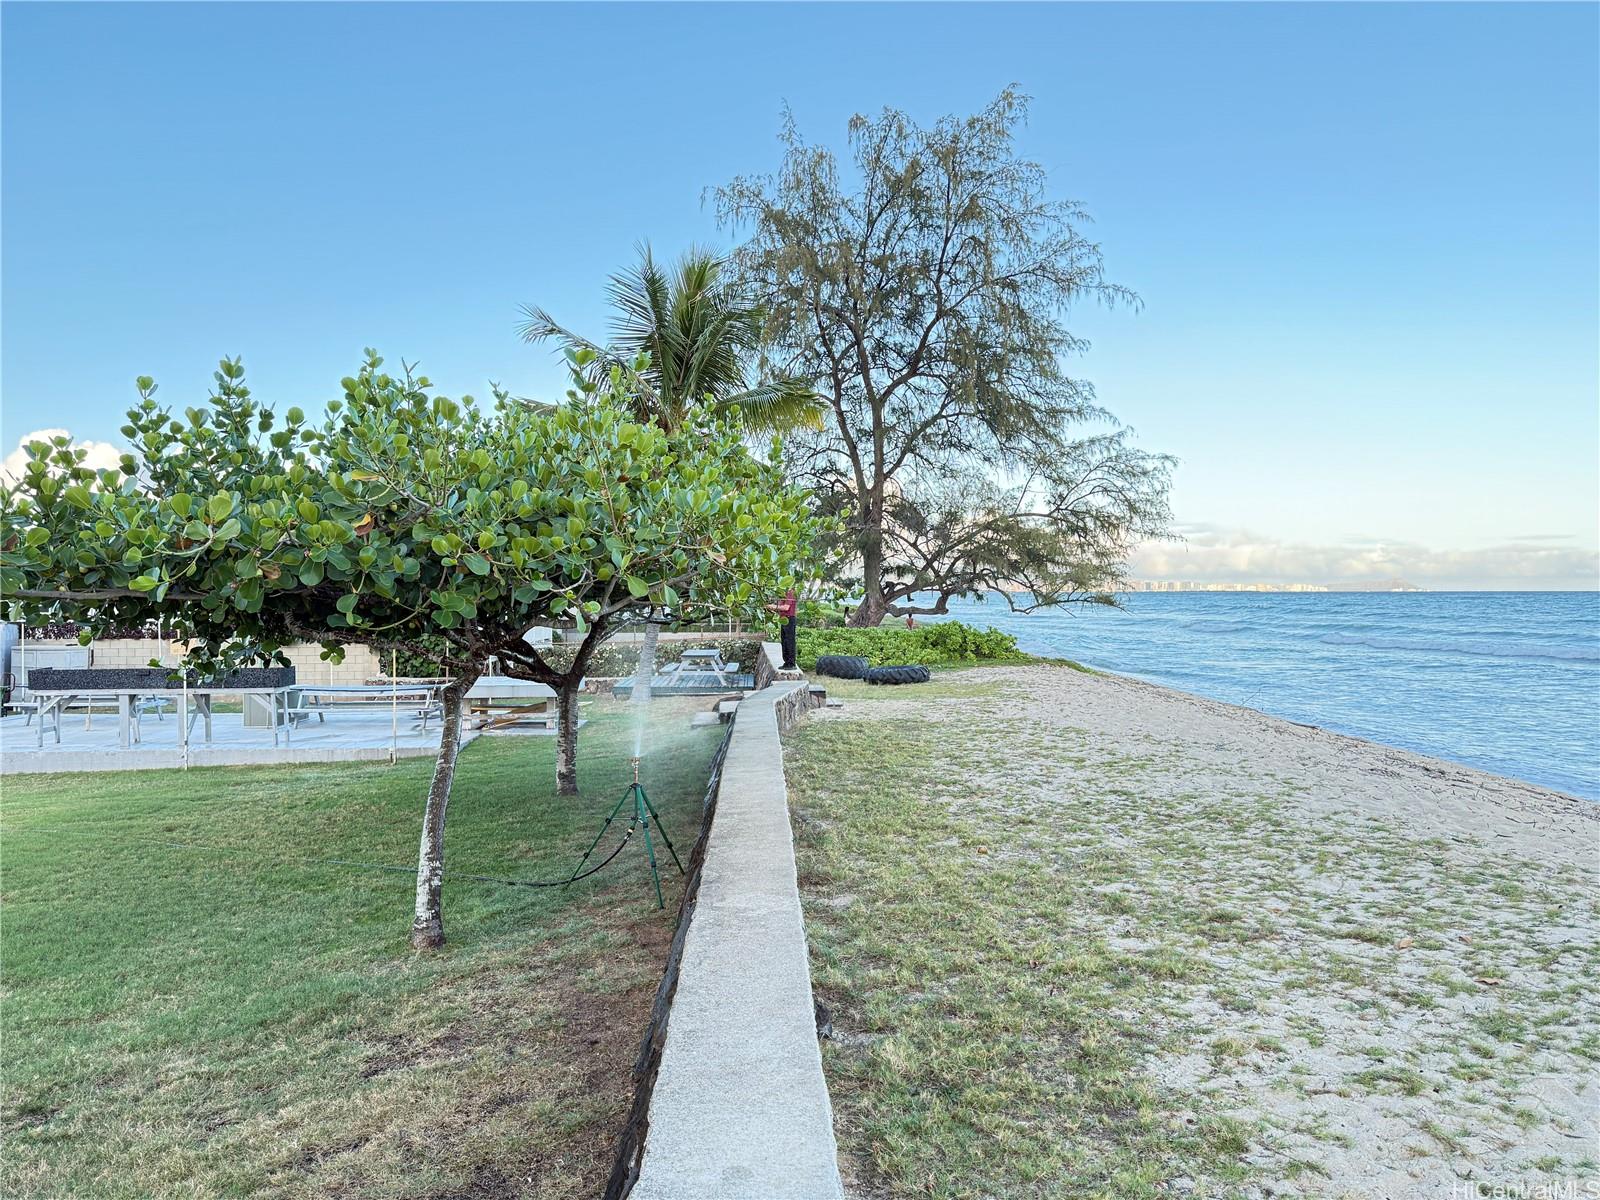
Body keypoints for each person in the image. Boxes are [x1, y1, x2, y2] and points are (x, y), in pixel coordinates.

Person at [765, 589, 799, 670]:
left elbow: (786, 608)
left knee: (790, 641)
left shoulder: (790, 592)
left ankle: (791, 664)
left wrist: (774, 607)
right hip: (783, 619)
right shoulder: (783, 595)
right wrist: (771, 608)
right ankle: (786, 662)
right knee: (784, 641)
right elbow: (780, 609)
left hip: (789, 619)